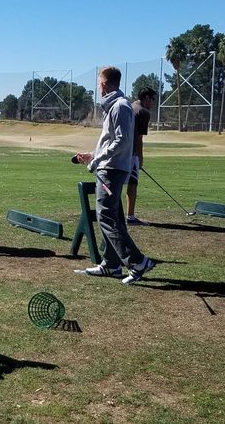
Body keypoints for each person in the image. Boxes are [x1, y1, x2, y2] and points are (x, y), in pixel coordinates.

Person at [73, 66, 155, 285]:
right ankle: (111, 265)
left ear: (103, 84)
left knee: (107, 217)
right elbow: (111, 141)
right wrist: (92, 155)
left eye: (99, 82)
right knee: (114, 216)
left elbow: (121, 142)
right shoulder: (115, 106)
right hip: (110, 166)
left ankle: (137, 262)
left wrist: (98, 160)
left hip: (112, 169)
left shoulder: (119, 106)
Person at [126, 87, 156, 225]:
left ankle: (112, 214)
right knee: (133, 183)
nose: (153, 102)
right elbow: (139, 138)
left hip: (119, 151)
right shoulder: (143, 112)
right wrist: (140, 158)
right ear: (146, 98)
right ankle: (130, 217)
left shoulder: (129, 106)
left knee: (116, 182)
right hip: (131, 153)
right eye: (152, 99)